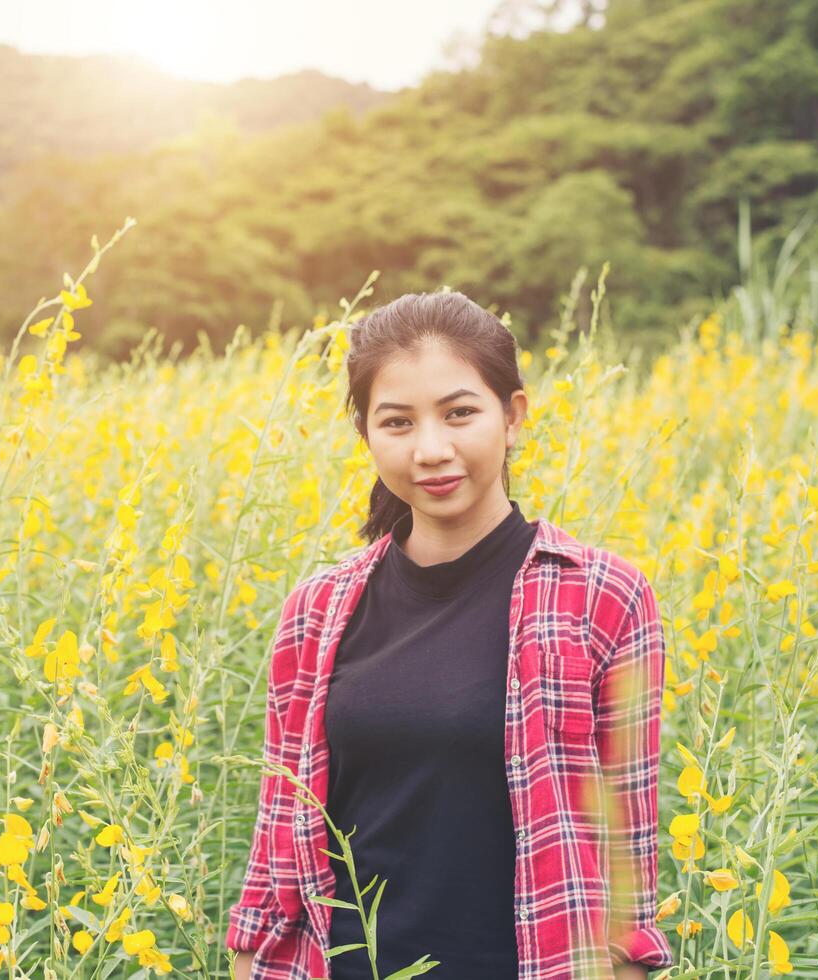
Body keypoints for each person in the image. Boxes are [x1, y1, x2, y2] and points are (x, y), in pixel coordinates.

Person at [226, 291, 674, 979]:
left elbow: (627, 856)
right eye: (397, 423)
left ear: (512, 416)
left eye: (459, 413)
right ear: (365, 435)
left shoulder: (604, 598)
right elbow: (275, 859)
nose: (431, 450)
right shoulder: (315, 612)